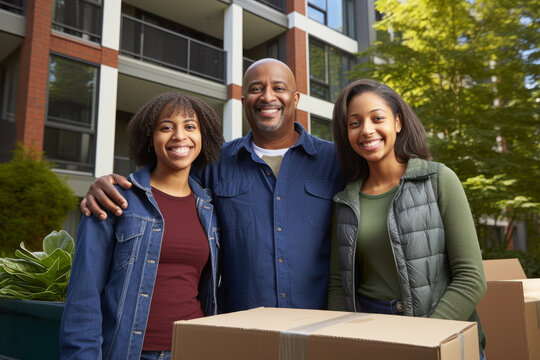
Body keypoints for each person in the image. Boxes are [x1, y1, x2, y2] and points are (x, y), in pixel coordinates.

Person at [79, 59, 345, 313]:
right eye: (256, 89)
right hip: (237, 327)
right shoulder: (214, 163)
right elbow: (165, 185)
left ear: (295, 98)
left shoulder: (335, 161)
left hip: (318, 324)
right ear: (243, 101)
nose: (267, 97)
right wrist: (109, 184)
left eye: (278, 88)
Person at [327, 79, 487, 357]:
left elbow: (471, 278)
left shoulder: (438, 180)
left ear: (398, 123)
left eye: (377, 118)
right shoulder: (345, 201)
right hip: (371, 330)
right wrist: (344, 340)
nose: (366, 130)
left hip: (441, 330)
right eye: (354, 123)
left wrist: (425, 338)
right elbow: (337, 283)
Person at [60, 92, 224, 359]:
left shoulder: (210, 208)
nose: (180, 136)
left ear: (203, 137)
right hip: (131, 352)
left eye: (190, 126)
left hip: (195, 348)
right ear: (150, 137)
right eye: (166, 127)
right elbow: (83, 296)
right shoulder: (114, 199)